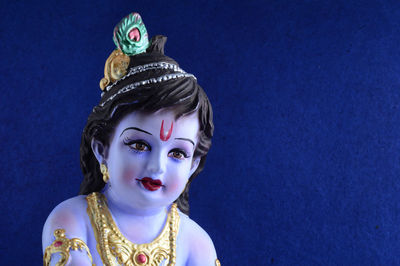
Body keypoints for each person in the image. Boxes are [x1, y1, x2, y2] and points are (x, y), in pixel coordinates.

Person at [42, 12, 221, 266]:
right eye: (139, 145)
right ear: (101, 148)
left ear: (193, 164)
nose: (157, 167)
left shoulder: (196, 243)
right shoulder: (71, 220)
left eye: (178, 153)